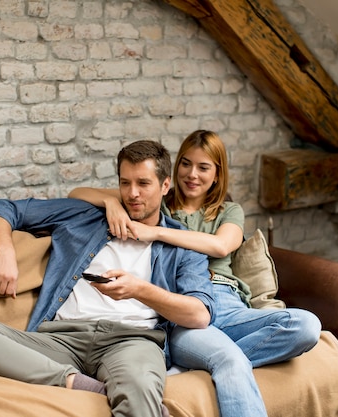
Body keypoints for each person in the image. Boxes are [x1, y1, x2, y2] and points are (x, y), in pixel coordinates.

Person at [0, 140, 216, 417]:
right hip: (61, 338)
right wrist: (5, 251)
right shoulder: (84, 216)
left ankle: (116, 390)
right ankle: (80, 384)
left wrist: (139, 290)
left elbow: (199, 314)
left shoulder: (181, 244)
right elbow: (4, 209)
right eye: (125, 183)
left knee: (139, 388)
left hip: (131, 342)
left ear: (165, 186)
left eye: (143, 184)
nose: (132, 194)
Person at [69, 130, 322, 417]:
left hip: (227, 304)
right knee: (229, 360)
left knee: (306, 325)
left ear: (217, 173)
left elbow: (220, 245)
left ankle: (199, 363)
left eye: (204, 167)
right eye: (186, 164)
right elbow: (77, 194)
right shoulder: (160, 198)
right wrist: (112, 203)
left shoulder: (228, 211)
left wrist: (155, 232)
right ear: (173, 172)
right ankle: (218, 359)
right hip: (182, 311)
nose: (192, 174)